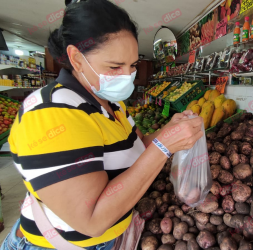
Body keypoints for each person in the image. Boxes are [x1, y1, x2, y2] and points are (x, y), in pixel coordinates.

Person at [1, 0, 203, 249]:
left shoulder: (111, 104)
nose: (126, 76)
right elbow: (92, 220)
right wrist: (164, 146)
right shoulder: (51, 113)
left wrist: (169, 130)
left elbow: (137, 147)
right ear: (76, 58)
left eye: (132, 66)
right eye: (114, 66)